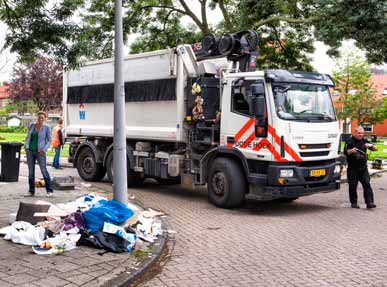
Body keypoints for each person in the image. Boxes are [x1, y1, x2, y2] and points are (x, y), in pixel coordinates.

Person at [344, 126, 377, 209]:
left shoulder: (364, 141)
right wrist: (351, 151)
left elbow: (376, 149)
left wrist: (370, 146)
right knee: (353, 185)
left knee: (367, 183)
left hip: (363, 167)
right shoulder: (349, 141)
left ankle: (369, 202)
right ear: (354, 133)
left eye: (362, 133)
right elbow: (345, 152)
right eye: (359, 133)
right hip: (352, 168)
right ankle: (354, 202)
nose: (360, 135)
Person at [24, 111, 53, 197]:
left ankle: (49, 190)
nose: (40, 119)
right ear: (37, 117)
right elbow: (28, 137)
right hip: (30, 152)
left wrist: (44, 149)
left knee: (44, 171)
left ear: (44, 119)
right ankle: (31, 191)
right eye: (39, 117)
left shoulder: (47, 127)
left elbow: (49, 140)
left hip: (40, 152)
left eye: (42, 118)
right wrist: (26, 146)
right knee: (31, 172)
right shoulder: (32, 125)